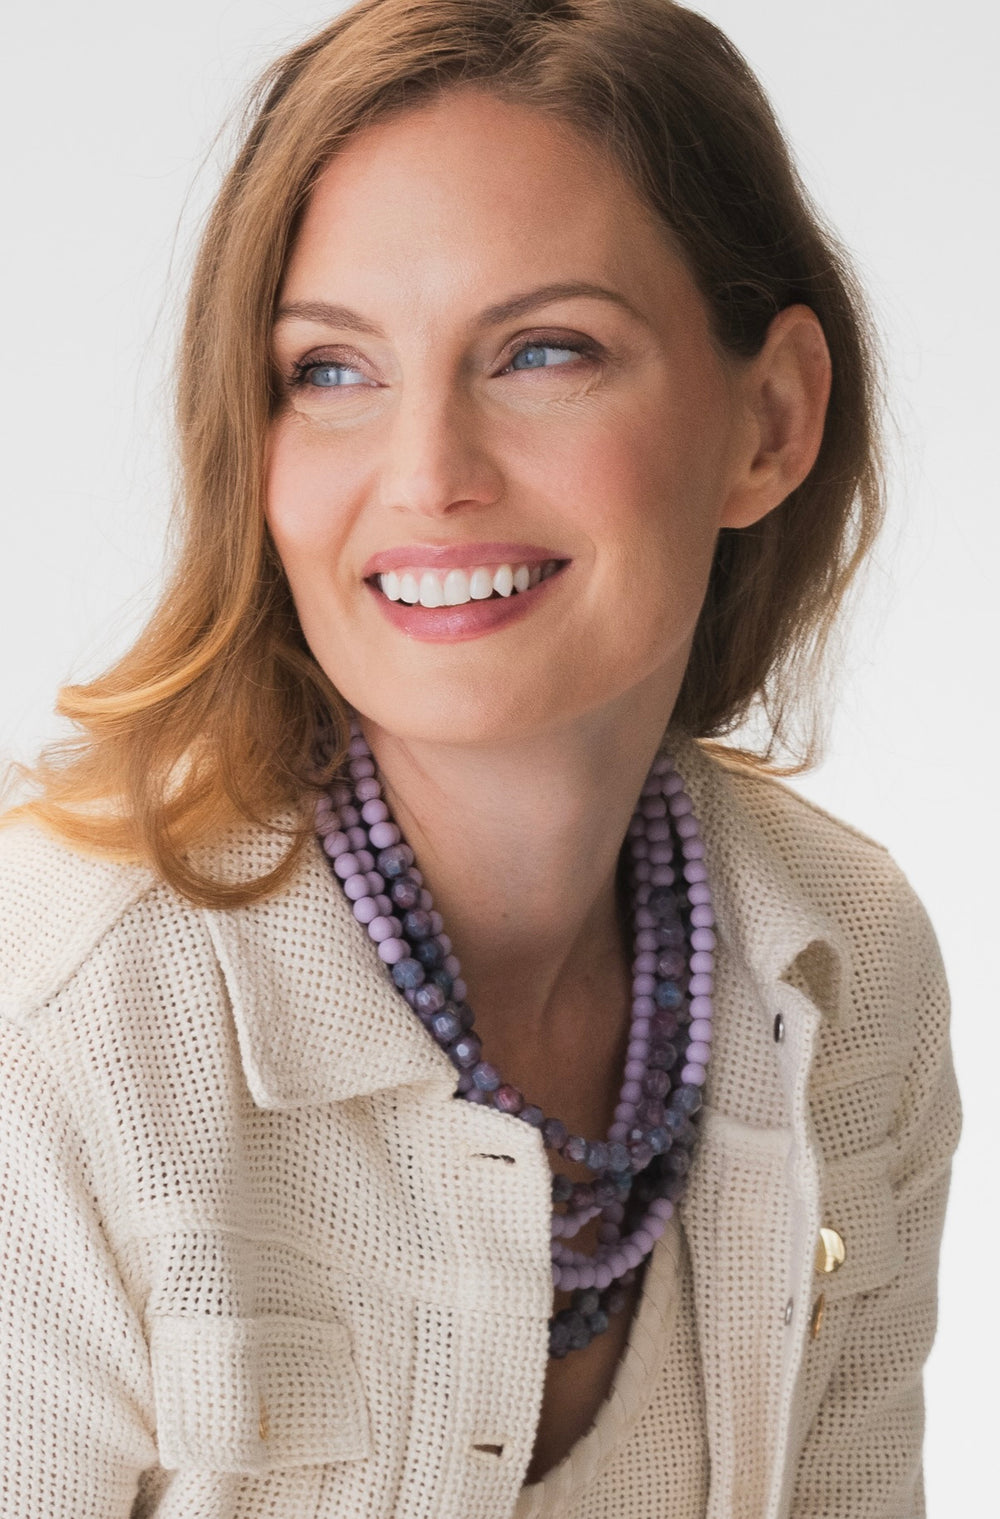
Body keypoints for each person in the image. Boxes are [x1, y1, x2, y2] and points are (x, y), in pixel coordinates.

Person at [0, 1, 961, 1515]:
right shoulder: (60, 1020)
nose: (428, 472)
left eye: (544, 351)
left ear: (771, 421)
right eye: (331, 370)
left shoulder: (846, 963)